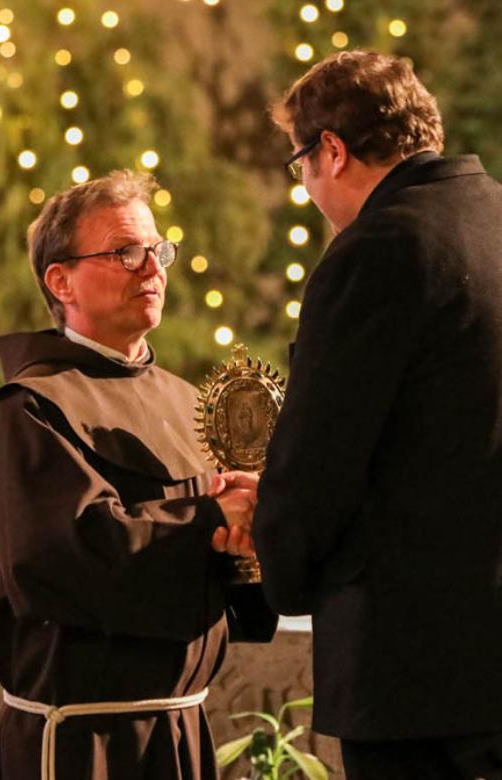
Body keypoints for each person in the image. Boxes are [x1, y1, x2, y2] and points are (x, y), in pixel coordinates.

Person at [240, 50, 502, 779]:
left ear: (331, 149)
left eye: (300, 164)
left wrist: (277, 568)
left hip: (417, 672)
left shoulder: (380, 249)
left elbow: (321, 454)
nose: (307, 187)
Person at [0, 170, 275, 780]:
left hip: (181, 728)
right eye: (125, 252)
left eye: (158, 251)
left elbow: (212, 564)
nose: (153, 269)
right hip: (86, 743)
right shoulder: (31, 407)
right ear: (62, 281)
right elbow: (67, 557)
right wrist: (211, 520)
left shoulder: (185, 401)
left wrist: (251, 535)